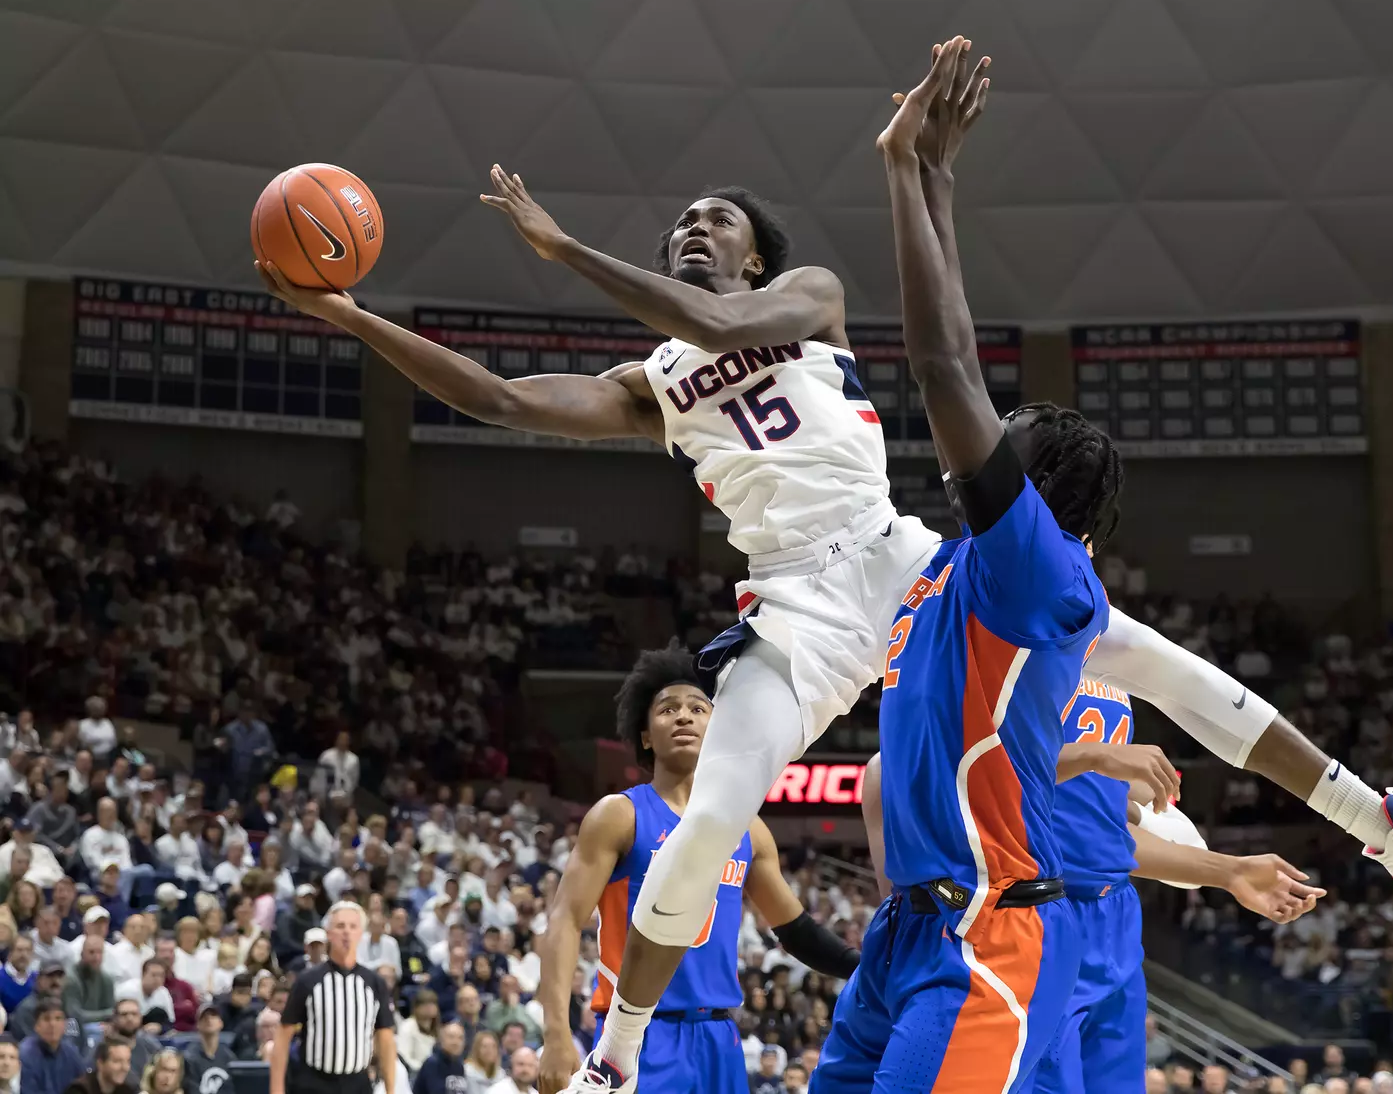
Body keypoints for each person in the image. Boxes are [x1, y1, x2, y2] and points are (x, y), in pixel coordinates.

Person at [261, 95, 939, 1094]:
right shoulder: (653, 380)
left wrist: (561, 245)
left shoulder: (801, 295)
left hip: (887, 554)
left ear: (754, 255)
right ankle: (616, 1050)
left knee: (1047, 686)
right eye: (681, 225)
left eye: (716, 218)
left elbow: (711, 318)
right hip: (800, 601)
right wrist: (355, 318)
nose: (692, 229)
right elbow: (500, 397)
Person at [807, 36, 1113, 1094]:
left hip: (988, 934)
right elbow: (963, 349)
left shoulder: (1044, 574)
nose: (986, 429)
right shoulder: (960, 561)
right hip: (903, 933)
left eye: (1008, 429)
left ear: (1044, 488)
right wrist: (939, 174)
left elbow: (943, 367)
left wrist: (896, 167)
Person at [540, 645, 859, 1093]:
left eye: (697, 708)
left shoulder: (747, 827)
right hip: (637, 1036)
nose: (684, 717)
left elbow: (795, 929)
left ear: (715, 727)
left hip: (719, 1037)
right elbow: (564, 920)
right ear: (646, 736)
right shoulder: (621, 815)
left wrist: (860, 966)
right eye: (667, 709)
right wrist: (556, 1031)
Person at [272, 901, 399, 1094]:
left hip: (358, 1084)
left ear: (361, 933)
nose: (346, 932)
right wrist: (276, 1089)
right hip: (313, 1083)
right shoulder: (308, 980)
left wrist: (391, 1090)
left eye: (353, 926)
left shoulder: (374, 983)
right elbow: (283, 1035)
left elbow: (386, 1040)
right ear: (329, 933)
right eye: (340, 926)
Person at [20, 999, 83, 1093]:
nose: (53, 1024)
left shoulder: (71, 1052)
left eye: (58, 1018)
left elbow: (82, 1085)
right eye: (46, 1019)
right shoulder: (25, 1054)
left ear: (65, 1025)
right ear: (36, 1026)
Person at [183, 1003, 234, 1094]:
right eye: (204, 1017)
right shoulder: (189, 1058)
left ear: (221, 1023)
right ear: (198, 1024)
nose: (209, 1019)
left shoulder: (229, 1057)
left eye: (213, 1015)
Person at [66, 935, 118, 1023]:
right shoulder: (71, 979)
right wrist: (107, 1015)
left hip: (101, 1027)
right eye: (91, 952)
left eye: (100, 952)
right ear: (82, 954)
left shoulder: (106, 980)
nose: (96, 957)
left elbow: (111, 1010)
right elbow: (75, 1015)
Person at [109, 998, 164, 1078]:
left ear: (140, 1017)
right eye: (124, 1014)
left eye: (134, 1014)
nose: (130, 1018)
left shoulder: (150, 1043)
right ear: (115, 1018)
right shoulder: (104, 1044)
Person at [65, 1037, 136, 1094]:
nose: (125, 1068)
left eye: (127, 1061)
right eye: (117, 1061)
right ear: (100, 1064)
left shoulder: (126, 1090)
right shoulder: (80, 1090)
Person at [412, 1023, 466, 1094]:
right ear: (442, 1040)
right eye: (451, 1037)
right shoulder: (432, 1064)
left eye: (460, 1038)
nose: (456, 1042)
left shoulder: (459, 1066)